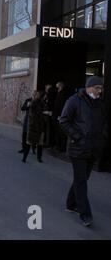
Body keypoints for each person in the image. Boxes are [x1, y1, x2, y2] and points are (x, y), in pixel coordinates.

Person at [59, 76, 107, 227]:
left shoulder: (100, 103)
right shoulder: (74, 100)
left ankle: (70, 204)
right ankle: (85, 213)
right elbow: (63, 121)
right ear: (89, 87)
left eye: (101, 88)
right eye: (97, 88)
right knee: (81, 181)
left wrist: (103, 138)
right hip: (78, 148)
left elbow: (103, 123)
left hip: (93, 148)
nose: (100, 91)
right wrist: (77, 137)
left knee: (82, 179)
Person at [22, 90, 45, 163]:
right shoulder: (32, 103)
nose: (38, 96)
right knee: (29, 142)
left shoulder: (42, 103)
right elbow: (30, 112)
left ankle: (39, 158)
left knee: (40, 144)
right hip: (33, 125)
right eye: (36, 95)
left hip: (40, 126)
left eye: (38, 95)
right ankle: (24, 158)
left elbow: (43, 111)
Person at [53, 82, 69, 153]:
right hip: (58, 115)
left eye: (57, 87)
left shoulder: (62, 95)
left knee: (60, 133)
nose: (56, 89)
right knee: (59, 132)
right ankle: (59, 146)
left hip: (60, 116)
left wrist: (60, 115)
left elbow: (61, 105)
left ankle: (61, 147)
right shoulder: (60, 94)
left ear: (60, 87)